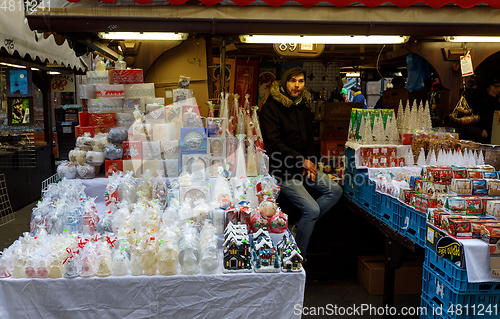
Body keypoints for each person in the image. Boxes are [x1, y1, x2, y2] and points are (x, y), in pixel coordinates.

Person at [259, 66, 343, 259]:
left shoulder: (303, 106)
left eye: (300, 81)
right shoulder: (270, 107)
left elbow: (309, 139)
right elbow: (273, 144)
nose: (296, 85)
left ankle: (298, 225)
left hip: (304, 167)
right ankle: (298, 255)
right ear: (283, 82)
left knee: (335, 190)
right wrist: (302, 161)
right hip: (283, 170)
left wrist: (311, 162)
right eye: (292, 80)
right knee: (312, 209)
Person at [457, 75, 500, 143]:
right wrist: (480, 132)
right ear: (487, 86)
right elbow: (460, 122)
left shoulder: (495, 102)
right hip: (470, 143)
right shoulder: (471, 100)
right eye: (496, 86)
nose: (499, 90)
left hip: (490, 143)